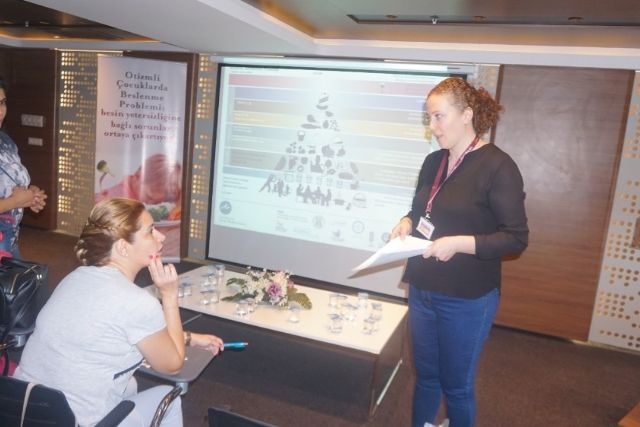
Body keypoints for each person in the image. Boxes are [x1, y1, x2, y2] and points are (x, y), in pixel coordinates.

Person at [390, 77, 529, 427]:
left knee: (456, 385)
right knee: (426, 377)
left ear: (467, 115)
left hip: (467, 297)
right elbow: (423, 211)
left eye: (439, 117)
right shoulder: (433, 161)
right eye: (429, 118)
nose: (433, 127)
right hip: (423, 288)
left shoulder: (498, 166)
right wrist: (406, 221)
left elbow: (515, 238)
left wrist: (459, 243)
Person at [15, 198, 224, 426]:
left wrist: (189, 338)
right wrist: (169, 297)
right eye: (150, 231)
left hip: (22, 410)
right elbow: (172, 364)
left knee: (130, 385)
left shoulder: (73, 279)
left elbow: (114, 331)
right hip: (76, 421)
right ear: (123, 248)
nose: (161, 237)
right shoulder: (138, 303)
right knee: (168, 398)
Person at [0, 77, 47, 258]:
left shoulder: (5, 141)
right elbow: (12, 199)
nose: (1, 111)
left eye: (2, 103)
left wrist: (30, 194)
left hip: (9, 242)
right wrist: (15, 202)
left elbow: (12, 183)